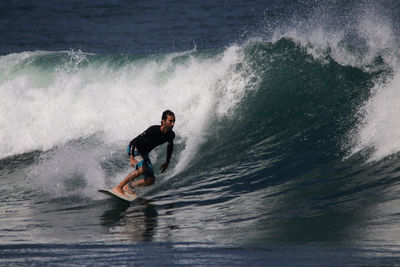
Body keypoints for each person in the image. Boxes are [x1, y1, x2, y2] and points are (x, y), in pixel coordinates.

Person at [113, 110, 176, 197]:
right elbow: (133, 142)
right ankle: (118, 187)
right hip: (134, 149)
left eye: (174, 121)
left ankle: (129, 187)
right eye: (170, 121)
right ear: (163, 121)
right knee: (143, 168)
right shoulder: (153, 130)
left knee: (151, 180)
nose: (173, 124)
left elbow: (170, 146)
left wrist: (167, 162)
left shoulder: (171, 135)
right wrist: (131, 156)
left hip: (143, 153)